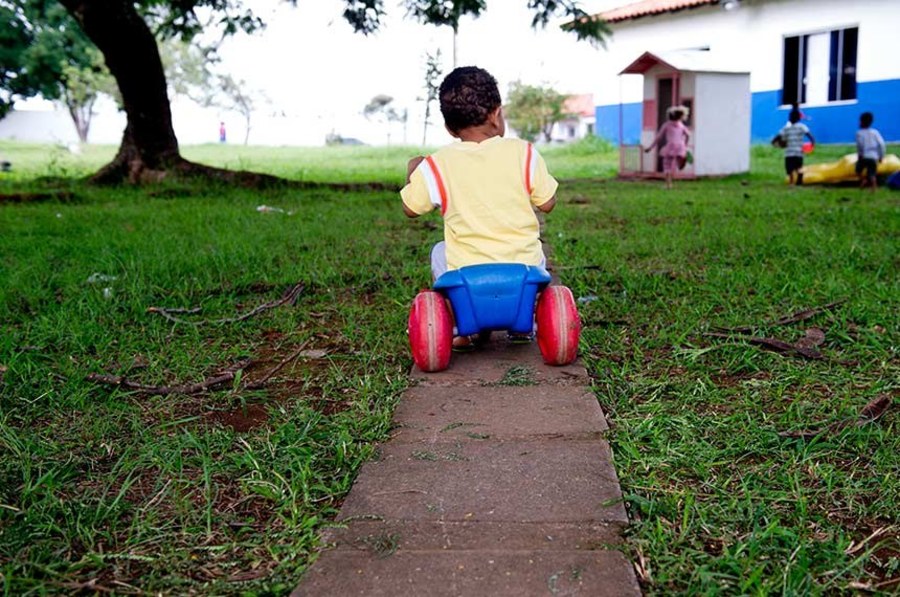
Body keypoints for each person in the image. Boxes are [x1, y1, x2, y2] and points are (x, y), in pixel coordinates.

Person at [400, 66, 557, 350]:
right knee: (537, 248)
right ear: (497, 114)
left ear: (449, 128)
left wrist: (414, 172)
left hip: (466, 276)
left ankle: (462, 326)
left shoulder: (437, 164)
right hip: (523, 270)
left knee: (439, 252)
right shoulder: (524, 153)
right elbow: (547, 203)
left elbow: (411, 208)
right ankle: (523, 321)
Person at [644, 106, 690, 190]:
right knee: (675, 163)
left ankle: (668, 185)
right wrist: (685, 146)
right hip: (680, 146)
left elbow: (659, 137)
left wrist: (650, 147)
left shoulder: (667, 125)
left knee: (667, 165)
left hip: (670, 147)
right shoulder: (681, 125)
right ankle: (681, 158)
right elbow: (688, 135)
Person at [772, 110, 814, 185]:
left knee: (790, 169)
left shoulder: (786, 129)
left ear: (789, 119)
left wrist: (776, 144)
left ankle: (791, 182)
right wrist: (812, 143)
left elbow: (777, 138)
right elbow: (810, 135)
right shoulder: (802, 127)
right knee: (799, 167)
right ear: (799, 118)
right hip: (799, 152)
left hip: (789, 153)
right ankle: (799, 180)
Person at [856, 111, 886, 192]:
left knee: (858, 170)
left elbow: (860, 146)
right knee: (872, 173)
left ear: (861, 122)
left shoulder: (859, 133)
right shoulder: (875, 132)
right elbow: (881, 144)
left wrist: (859, 155)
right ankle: (874, 188)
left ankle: (863, 180)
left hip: (864, 157)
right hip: (873, 157)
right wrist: (881, 156)